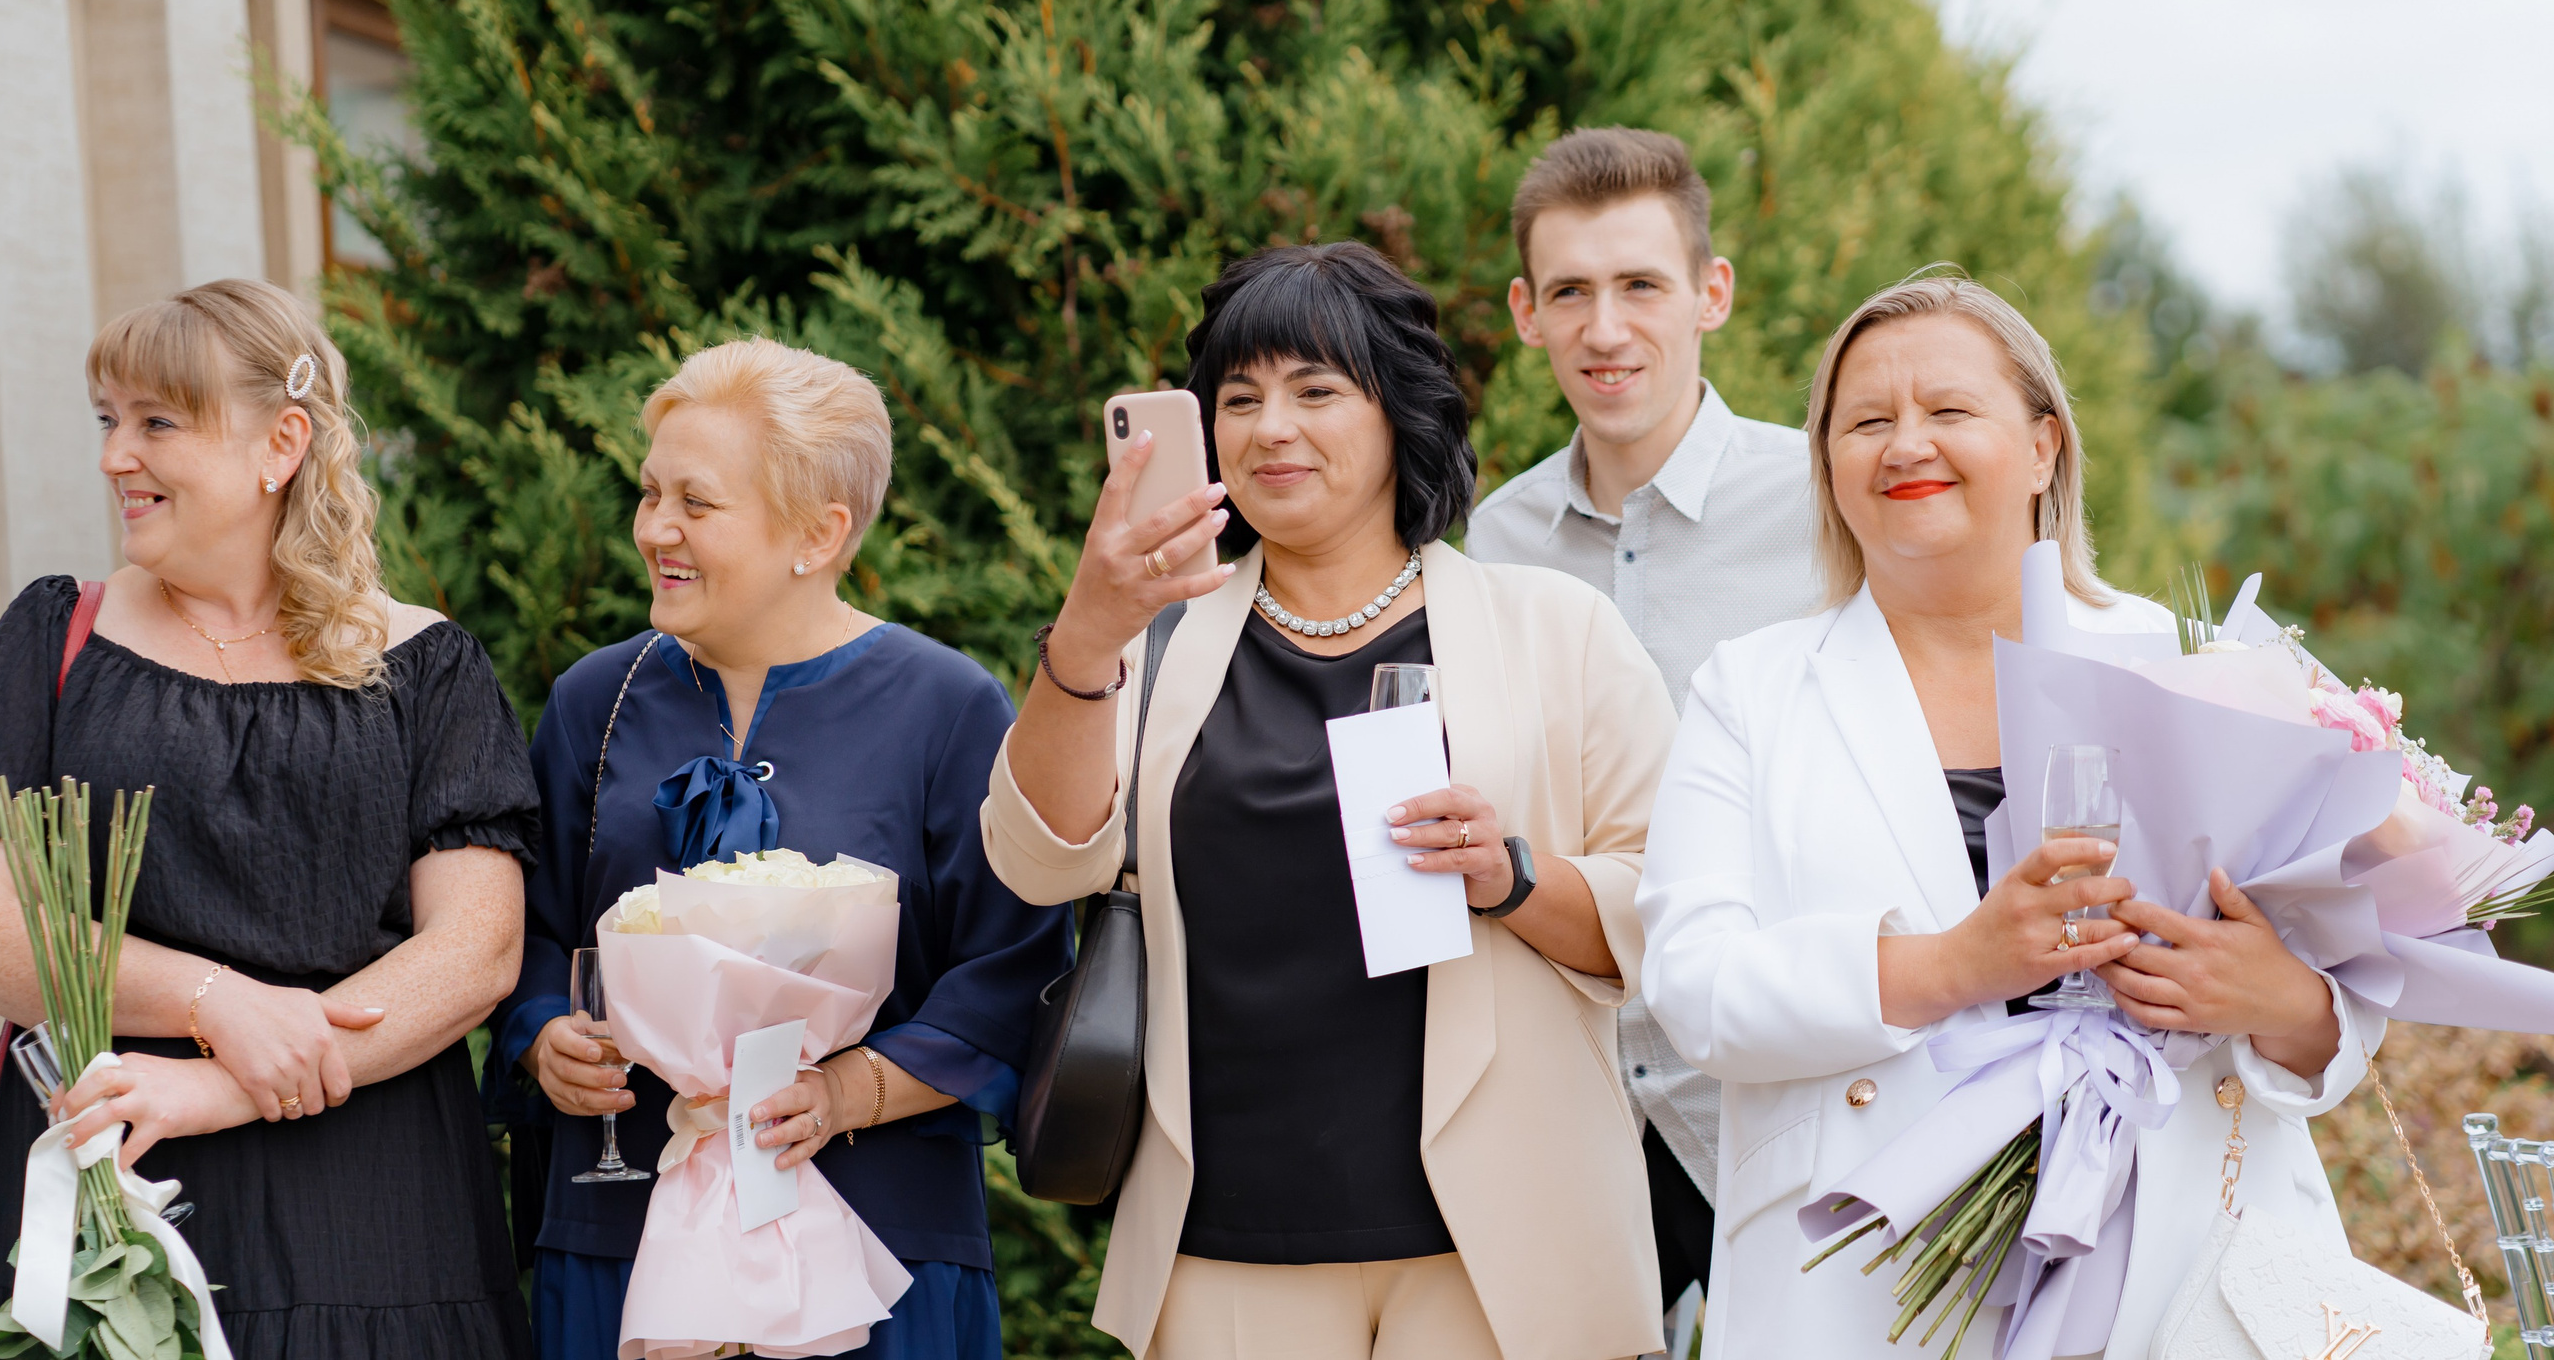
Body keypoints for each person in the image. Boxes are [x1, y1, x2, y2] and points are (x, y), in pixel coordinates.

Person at [1636, 273, 2377, 1359]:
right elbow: (1692, 987)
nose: (1903, 446)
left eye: (1945, 411)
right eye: (1866, 421)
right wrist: (1950, 964)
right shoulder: (1749, 688)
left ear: (2040, 446)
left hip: (2179, 1258)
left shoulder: (2201, 664)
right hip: (1868, 1273)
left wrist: (2286, 999)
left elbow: (2346, 1002)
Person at [982, 241, 1678, 1360]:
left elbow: (1669, 909)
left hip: (1502, 1242)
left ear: (1396, 414)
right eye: (1239, 398)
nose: (1270, 428)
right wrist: (1087, 633)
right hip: (1224, 1242)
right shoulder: (1155, 646)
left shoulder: (1555, 629)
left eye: (1315, 390)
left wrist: (1513, 875)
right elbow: (1039, 859)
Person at [493, 337, 1071, 1360]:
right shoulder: (596, 699)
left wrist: (854, 1089)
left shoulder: (948, 707)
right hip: (626, 1231)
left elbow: (1009, 969)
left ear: (820, 530)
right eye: (648, 493)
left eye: (696, 503)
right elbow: (525, 927)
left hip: (873, 1238)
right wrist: (546, 1034)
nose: (655, 529)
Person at [0, 278, 538, 1357]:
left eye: (157, 422)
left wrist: (217, 1082)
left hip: (382, 1220)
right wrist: (212, 995)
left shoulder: (428, 667)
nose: (115, 457)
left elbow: (478, 950)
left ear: (280, 443)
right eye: (109, 420)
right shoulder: (51, 638)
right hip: (105, 1186)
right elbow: (0, 926)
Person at [1466, 126, 1819, 1328]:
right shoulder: (1492, 544)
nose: (1604, 329)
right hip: (1579, 1098)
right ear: (1526, 310)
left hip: (1777, 1090)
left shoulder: (1827, 506)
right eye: (1569, 290)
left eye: (1639, 285)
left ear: (1709, 293)